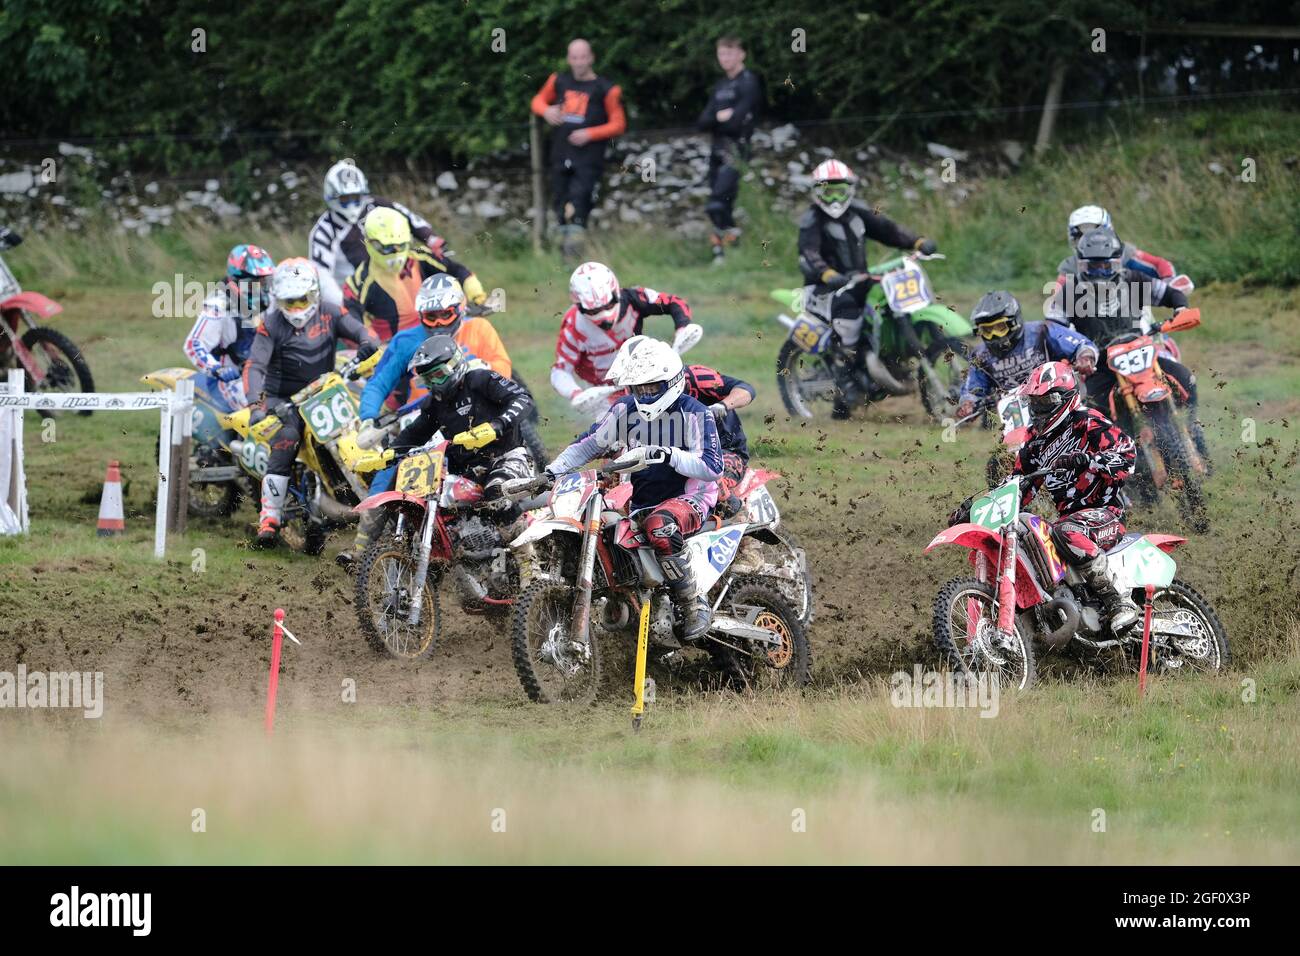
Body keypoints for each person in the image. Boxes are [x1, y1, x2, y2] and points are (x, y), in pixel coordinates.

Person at [544, 338, 722, 640]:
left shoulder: (695, 413)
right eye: (639, 389)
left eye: (651, 388)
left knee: (660, 525)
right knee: (607, 530)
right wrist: (550, 472)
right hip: (642, 500)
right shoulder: (624, 409)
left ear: (672, 381)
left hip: (691, 498)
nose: (645, 394)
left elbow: (711, 467)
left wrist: (667, 454)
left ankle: (694, 603)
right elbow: (590, 444)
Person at [959, 361, 1139, 633]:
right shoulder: (1035, 442)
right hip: (1070, 519)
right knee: (1028, 533)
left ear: (1064, 398)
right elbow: (1018, 485)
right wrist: (976, 510)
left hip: (1106, 513)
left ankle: (1120, 602)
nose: (1040, 407)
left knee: (1066, 531)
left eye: (1047, 400)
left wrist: (1088, 460)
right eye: (1035, 400)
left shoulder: (1086, 421)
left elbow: (1128, 456)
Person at [243, 258, 380, 547]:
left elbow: (358, 329)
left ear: (314, 295)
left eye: (302, 300)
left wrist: (367, 340)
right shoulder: (269, 324)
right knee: (287, 438)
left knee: (365, 426)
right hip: (285, 401)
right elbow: (254, 366)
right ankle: (270, 516)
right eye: (288, 302)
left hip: (326, 392)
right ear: (278, 300)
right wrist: (256, 406)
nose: (296, 309)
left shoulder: (331, 312)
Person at [797, 158, 937, 418]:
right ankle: (845, 383)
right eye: (829, 189)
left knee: (884, 306)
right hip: (824, 289)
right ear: (817, 191)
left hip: (859, 280)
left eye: (840, 189)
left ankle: (889, 360)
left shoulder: (859, 213)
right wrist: (828, 274)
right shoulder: (811, 220)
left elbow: (889, 231)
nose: (835, 196)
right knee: (848, 316)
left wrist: (917, 242)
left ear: (850, 189)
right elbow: (809, 254)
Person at [1046, 227, 1204, 457]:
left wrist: (1180, 309)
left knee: (1185, 379)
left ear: (1117, 263)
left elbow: (1170, 293)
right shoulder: (1068, 293)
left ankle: (1190, 427)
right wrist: (1075, 352)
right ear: (1080, 264)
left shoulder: (1134, 279)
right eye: (1093, 265)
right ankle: (1116, 462)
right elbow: (1053, 327)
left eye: (1106, 265)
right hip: (1099, 362)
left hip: (1141, 353)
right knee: (1091, 413)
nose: (1100, 271)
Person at [371, 335, 535, 517]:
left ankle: (524, 543)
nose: (434, 384)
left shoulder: (480, 380)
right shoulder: (433, 404)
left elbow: (523, 398)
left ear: (454, 365)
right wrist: (387, 454)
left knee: (495, 494)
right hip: (467, 472)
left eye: (438, 376)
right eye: (428, 380)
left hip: (507, 458)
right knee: (437, 502)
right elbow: (414, 434)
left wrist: (497, 425)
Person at [610, 334, 755, 516]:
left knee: (720, 491)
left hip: (724, 449)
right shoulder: (631, 393)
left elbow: (746, 389)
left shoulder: (694, 377)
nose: (640, 388)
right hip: (671, 449)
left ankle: (735, 512)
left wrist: (722, 406)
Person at [309, 160, 483, 309]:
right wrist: (345, 306)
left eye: (356, 197)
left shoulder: (379, 205)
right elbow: (321, 276)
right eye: (345, 199)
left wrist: (432, 239)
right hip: (359, 293)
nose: (352, 204)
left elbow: (413, 221)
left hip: (398, 275)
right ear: (331, 198)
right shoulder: (324, 230)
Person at [551, 261, 702, 419]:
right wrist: (576, 394)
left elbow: (674, 302)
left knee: (687, 407)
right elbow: (560, 371)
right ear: (579, 306)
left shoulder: (634, 298)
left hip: (647, 376)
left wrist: (682, 328)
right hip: (605, 393)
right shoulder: (572, 325)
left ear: (615, 292)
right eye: (594, 310)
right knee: (613, 436)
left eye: (609, 305)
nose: (604, 316)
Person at [531, 38, 627, 259]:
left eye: (583, 57)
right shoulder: (558, 81)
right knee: (559, 202)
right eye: (574, 57)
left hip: (588, 158)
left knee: (580, 200)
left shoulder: (606, 89)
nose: (579, 62)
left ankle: (575, 256)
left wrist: (590, 134)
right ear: (568, 59)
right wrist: (546, 111)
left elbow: (619, 124)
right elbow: (537, 101)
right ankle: (562, 255)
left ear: (591, 58)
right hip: (560, 153)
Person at [342, 207, 482, 343]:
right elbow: (352, 323)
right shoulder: (358, 282)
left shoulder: (421, 256)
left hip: (436, 332)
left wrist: (475, 293)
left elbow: (456, 270)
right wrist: (370, 343)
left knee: (478, 334)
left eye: (400, 246)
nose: (395, 253)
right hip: (393, 348)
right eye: (386, 248)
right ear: (370, 242)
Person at [955, 290, 1098, 418]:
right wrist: (968, 404)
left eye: (1000, 327)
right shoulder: (980, 356)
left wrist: (1085, 358)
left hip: (1059, 400)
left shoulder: (1042, 331)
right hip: (1016, 414)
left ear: (1014, 322)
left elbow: (1081, 344)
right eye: (987, 330)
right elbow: (972, 389)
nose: (993, 335)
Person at [183, 243, 275, 409]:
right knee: (261, 409)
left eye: (265, 281)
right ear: (238, 281)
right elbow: (193, 344)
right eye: (256, 282)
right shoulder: (218, 306)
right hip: (230, 380)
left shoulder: (270, 303)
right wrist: (217, 369)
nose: (262, 288)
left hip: (263, 373)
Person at [696, 36, 761, 265]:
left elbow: (737, 123)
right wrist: (719, 117)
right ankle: (725, 250)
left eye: (730, 53)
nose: (725, 58)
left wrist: (722, 119)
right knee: (719, 204)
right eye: (722, 54)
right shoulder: (720, 85)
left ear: (741, 54)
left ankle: (730, 243)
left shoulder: (748, 82)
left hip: (736, 150)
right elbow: (702, 122)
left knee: (717, 201)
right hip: (716, 150)